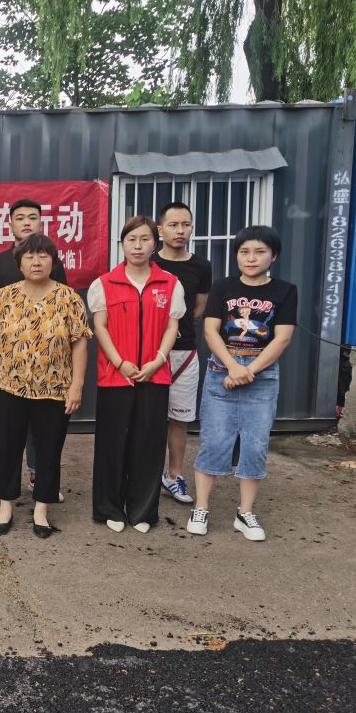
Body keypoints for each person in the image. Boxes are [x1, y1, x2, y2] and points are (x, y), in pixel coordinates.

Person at [0, 234, 91, 538]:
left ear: (53, 261)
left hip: (54, 389)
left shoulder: (69, 298)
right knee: (8, 447)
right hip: (7, 387)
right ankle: (6, 508)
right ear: (19, 263)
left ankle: (41, 510)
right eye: (29, 256)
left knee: (49, 450)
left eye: (43, 256)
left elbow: (79, 344)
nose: (36, 262)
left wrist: (77, 385)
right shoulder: (4, 296)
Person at [187, 226, 297, 542]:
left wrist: (250, 370)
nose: (251, 258)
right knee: (213, 439)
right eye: (244, 252)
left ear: (273, 256)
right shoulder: (223, 287)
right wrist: (233, 367)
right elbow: (210, 331)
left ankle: (245, 513)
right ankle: (201, 507)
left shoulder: (285, 290)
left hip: (263, 374)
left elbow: (282, 338)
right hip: (222, 368)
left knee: (255, 443)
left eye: (260, 252)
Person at [89, 215, 183, 534]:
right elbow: (100, 327)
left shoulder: (170, 283)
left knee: (149, 443)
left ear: (155, 243)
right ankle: (109, 508)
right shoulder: (104, 284)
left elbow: (172, 326)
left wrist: (158, 360)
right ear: (122, 244)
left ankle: (142, 510)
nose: (138, 246)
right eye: (131, 239)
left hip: (154, 375)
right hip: (115, 375)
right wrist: (119, 362)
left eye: (144, 239)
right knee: (112, 443)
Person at [0, 199, 68, 503]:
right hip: (2, 362)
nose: (27, 222)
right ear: (10, 224)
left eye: (32, 217)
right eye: (20, 218)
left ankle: (38, 477)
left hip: (44, 365)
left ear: (40, 223)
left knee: (38, 425)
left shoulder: (54, 264)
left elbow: (62, 311)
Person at [150, 201, 211, 505]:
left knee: (179, 418)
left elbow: (198, 308)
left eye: (185, 224)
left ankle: (174, 476)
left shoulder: (201, 266)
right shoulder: (148, 261)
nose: (180, 230)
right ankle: (146, 475)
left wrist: (177, 328)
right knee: (148, 418)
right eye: (173, 225)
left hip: (184, 351)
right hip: (149, 352)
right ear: (160, 229)